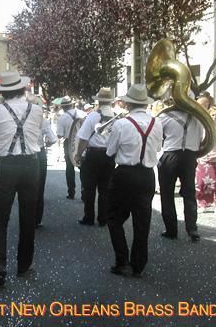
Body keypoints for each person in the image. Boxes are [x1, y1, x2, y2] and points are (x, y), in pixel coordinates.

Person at [0, 71, 43, 287]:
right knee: (27, 217)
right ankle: (24, 265)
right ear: (22, 89)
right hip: (30, 164)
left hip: (6, 165)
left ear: (3, 93)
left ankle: (0, 265)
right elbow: (39, 133)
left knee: (0, 217)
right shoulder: (36, 110)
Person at [105, 84, 162, 278]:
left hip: (125, 174)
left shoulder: (122, 124)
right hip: (147, 175)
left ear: (128, 103)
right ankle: (139, 265)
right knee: (142, 221)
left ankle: (122, 261)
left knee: (114, 218)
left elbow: (109, 151)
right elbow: (157, 147)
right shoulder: (157, 123)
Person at [158, 91, 204, 241]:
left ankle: (171, 229)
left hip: (170, 155)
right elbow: (201, 138)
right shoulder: (198, 117)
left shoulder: (164, 117)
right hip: (190, 156)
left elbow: (158, 138)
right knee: (189, 193)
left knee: (167, 193)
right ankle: (192, 228)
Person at [74, 88, 116, 227]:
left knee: (89, 187)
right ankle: (103, 218)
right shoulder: (116, 116)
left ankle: (89, 217)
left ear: (98, 100)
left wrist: (78, 154)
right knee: (105, 189)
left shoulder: (93, 116)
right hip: (109, 155)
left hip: (93, 154)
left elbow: (84, 137)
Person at [25, 95, 57, 228]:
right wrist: (47, 143)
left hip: (26, 154)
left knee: (25, 188)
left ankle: (26, 217)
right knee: (39, 188)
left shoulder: (21, 118)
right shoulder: (43, 120)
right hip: (40, 153)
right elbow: (53, 139)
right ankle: (37, 219)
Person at [56, 96, 85, 199]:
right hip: (82, 141)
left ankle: (71, 192)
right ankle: (84, 192)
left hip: (69, 143)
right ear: (72, 105)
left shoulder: (62, 118)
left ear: (63, 107)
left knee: (70, 167)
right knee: (83, 167)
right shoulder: (82, 114)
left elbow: (60, 135)